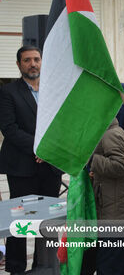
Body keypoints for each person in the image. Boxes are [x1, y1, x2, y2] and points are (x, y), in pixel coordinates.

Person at [0, 46, 63, 273]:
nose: (33, 64)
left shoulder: (53, 90)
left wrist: (49, 151)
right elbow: (9, 128)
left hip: (50, 166)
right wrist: (38, 149)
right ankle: (16, 267)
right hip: (22, 167)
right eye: (27, 60)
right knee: (21, 220)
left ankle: (44, 265)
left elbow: (61, 124)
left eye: (36, 59)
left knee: (47, 219)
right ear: (19, 65)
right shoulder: (8, 92)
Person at [89, 118, 124, 275]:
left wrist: (92, 159)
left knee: (110, 266)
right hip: (111, 210)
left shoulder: (110, 135)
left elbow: (121, 166)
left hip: (115, 214)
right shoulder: (109, 132)